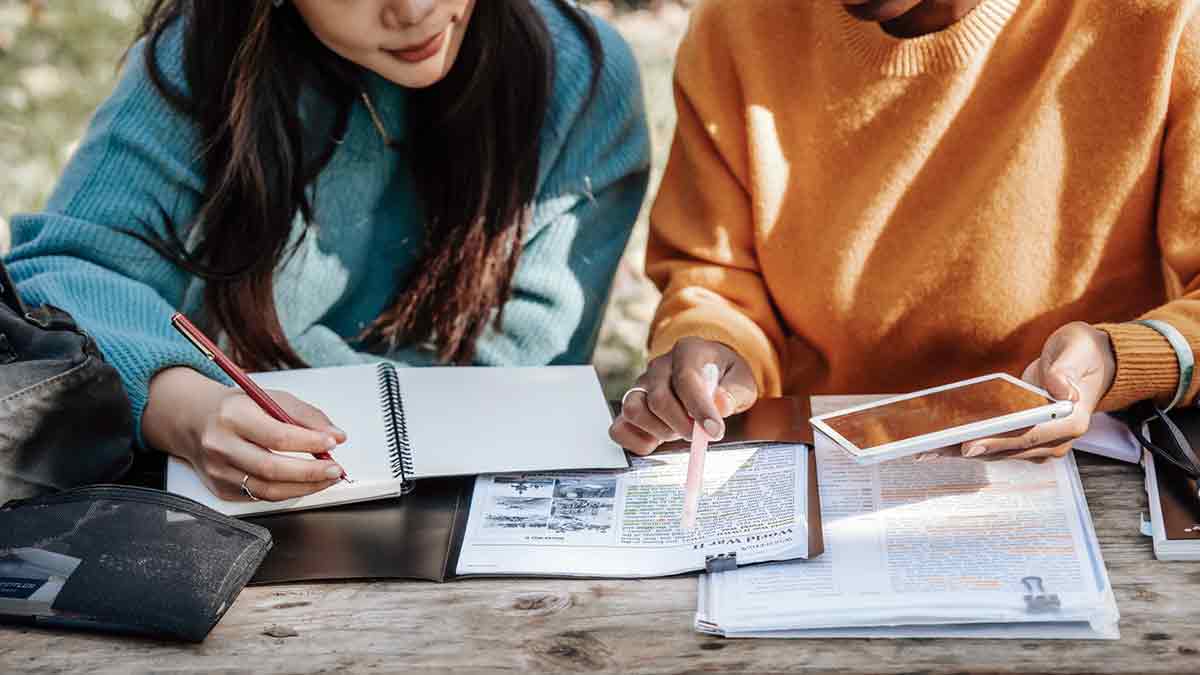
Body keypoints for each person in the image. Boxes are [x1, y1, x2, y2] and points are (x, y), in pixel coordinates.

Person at [6, 0, 649, 501]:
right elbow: (63, 272)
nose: (413, 11)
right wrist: (187, 409)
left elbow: (524, 378)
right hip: (219, 510)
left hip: (469, 514)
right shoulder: (206, 56)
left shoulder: (581, 77)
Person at [611, 0, 1200, 461]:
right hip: (823, 462)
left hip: (1096, 466)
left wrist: (1122, 359)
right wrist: (717, 348)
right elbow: (715, 275)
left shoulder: (1162, 21)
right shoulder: (737, 26)